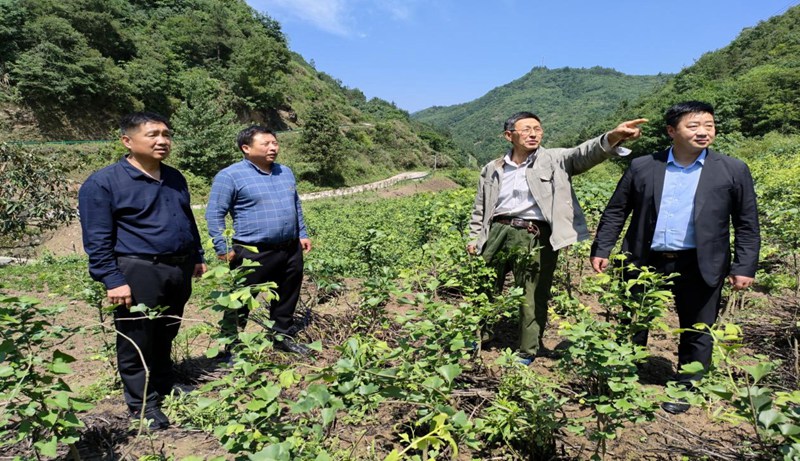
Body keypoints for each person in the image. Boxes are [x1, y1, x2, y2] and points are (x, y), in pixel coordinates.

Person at [590, 101, 760, 414]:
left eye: (708, 125)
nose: (703, 131)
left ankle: (687, 387)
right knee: (634, 322)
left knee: (697, 328)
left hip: (700, 262)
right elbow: (617, 210)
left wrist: (744, 265)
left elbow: (747, 222)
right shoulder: (643, 166)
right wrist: (602, 247)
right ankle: (624, 378)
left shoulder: (732, 169)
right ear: (672, 131)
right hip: (644, 259)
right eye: (693, 126)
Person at [467, 111, 647, 365]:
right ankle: (479, 335)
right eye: (526, 129)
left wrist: (613, 137)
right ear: (509, 136)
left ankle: (527, 349)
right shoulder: (493, 168)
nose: (533, 134)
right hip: (496, 230)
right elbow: (480, 207)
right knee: (484, 286)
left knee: (532, 293)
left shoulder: (556, 159)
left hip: (534, 234)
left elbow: (584, 153)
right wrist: (475, 236)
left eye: (537, 129)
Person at [78, 112, 207, 430]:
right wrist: (112, 278)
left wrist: (197, 255)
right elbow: (96, 238)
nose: (162, 140)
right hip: (137, 269)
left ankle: (164, 384)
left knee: (166, 331)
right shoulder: (103, 183)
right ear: (127, 141)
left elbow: (186, 220)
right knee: (137, 337)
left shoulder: (174, 177)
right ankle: (142, 403)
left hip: (178, 267)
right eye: (152, 134)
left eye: (166, 134)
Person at [206, 125, 312, 357]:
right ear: (246, 148)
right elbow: (214, 213)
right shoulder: (230, 176)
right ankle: (233, 348)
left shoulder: (285, 172)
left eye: (275, 143)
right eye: (266, 143)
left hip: (290, 248)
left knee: (287, 295)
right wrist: (222, 247)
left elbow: (296, 205)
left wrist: (302, 233)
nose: (273, 147)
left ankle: (281, 337)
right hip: (252, 251)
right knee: (241, 300)